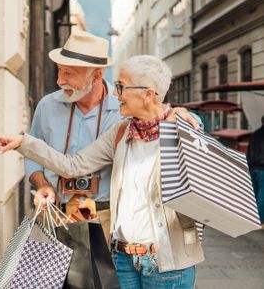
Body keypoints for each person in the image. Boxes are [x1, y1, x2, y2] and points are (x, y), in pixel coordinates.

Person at [0, 55, 204, 288]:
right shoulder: (121, 131)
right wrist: (23, 142)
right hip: (124, 258)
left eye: (120, 87)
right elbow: (73, 165)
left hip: (165, 263)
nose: (115, 94)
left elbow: (204, 190)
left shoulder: (183, 130)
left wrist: (184, 116)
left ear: (148, 94)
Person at [27, 30, 199, 243]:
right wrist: (42, 184)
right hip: (55, 213)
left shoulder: (125, 108)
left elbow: (156, 113)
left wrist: (182, 113)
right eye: (60, 71)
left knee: (103, 277)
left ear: (97, 76)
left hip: (108, 218)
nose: (60, 80)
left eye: (69, 73)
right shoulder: (47, 106)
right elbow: (34, 157)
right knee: (54, 276)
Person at [247, 115, 264, 223]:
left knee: (253, 195)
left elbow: (249, 150)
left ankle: (252, 217)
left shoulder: (255, 134)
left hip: (252, 167)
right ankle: (259, 220)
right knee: (262, 196)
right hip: (262, 168)